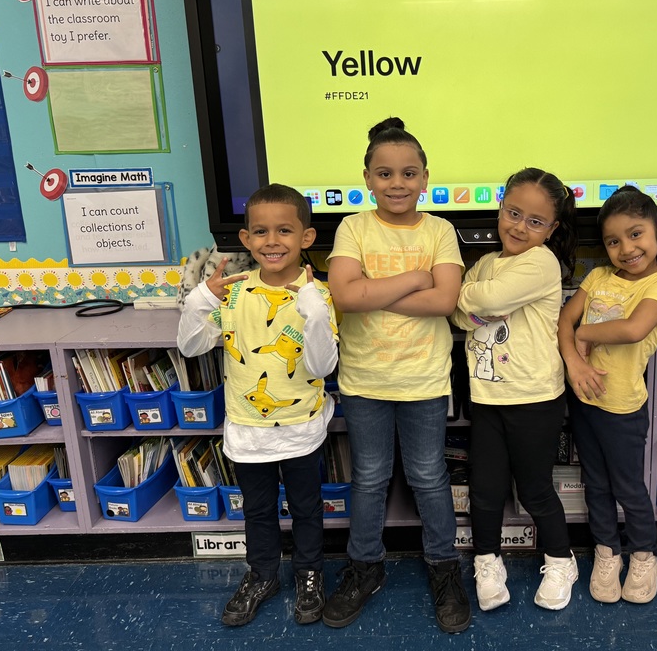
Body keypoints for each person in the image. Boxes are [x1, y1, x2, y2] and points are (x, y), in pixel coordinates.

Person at [324, 117, 470, 633]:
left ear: (425, 178)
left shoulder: (440, 231)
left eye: (409, 173)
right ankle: (365, 566)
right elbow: (345, 296)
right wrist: (414, 278)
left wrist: (374, 291)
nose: (397, 183)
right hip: (365, 379)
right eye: (384, 174)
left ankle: (444, 566)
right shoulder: (353, 228)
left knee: (429, 476)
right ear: (367, 178)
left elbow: (445, 301)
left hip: (423, 380)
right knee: (369, 478)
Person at [177, 183, 338, 627]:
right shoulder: (232, 291)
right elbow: (190, 347)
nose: (272, 241)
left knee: (306, 508)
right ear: (246, 239)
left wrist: (315, 314)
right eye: (261, 232)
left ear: (306, 237)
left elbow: (322, 366)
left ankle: (309, 573)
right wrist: (201, 299)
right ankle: (263, 574)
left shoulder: (319, 295)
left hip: (301, 427)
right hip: (247, 430)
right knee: (258, 510)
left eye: (284, 230)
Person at [450, 167, 579, 612]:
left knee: (535, 489)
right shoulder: (487, 264)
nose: (520, 227)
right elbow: (458, 315)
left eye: (536, 221)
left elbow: (481, 301)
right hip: (488, 399)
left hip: (535, 400)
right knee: (484, 490)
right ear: (501, 208)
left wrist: (475, 300)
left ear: (552, 229)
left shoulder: (541, 262)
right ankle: (486, 560)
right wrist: (477, 304)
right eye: (514, 213)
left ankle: (560, 560)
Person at [557, 185, 657, 605]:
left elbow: (632, 329)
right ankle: (607, 552)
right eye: (613, 241)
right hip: (584, 400)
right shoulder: (597, 278)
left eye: (635, 234)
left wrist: (584, 333)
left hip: (622, 407)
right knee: (595, 483)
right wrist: (574, 361)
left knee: (628, 487)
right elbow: (564, 319)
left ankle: (644, 555)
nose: (626, 249)